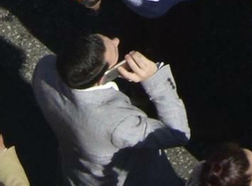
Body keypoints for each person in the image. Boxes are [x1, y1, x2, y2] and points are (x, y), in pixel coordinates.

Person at [32, 33, 190, 186]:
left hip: (79, 173)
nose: (116, 41)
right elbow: (177, 134)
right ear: (104, 76)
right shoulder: (119, 124)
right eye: (115, 50)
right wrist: (154, 78)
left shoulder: (44, 68)